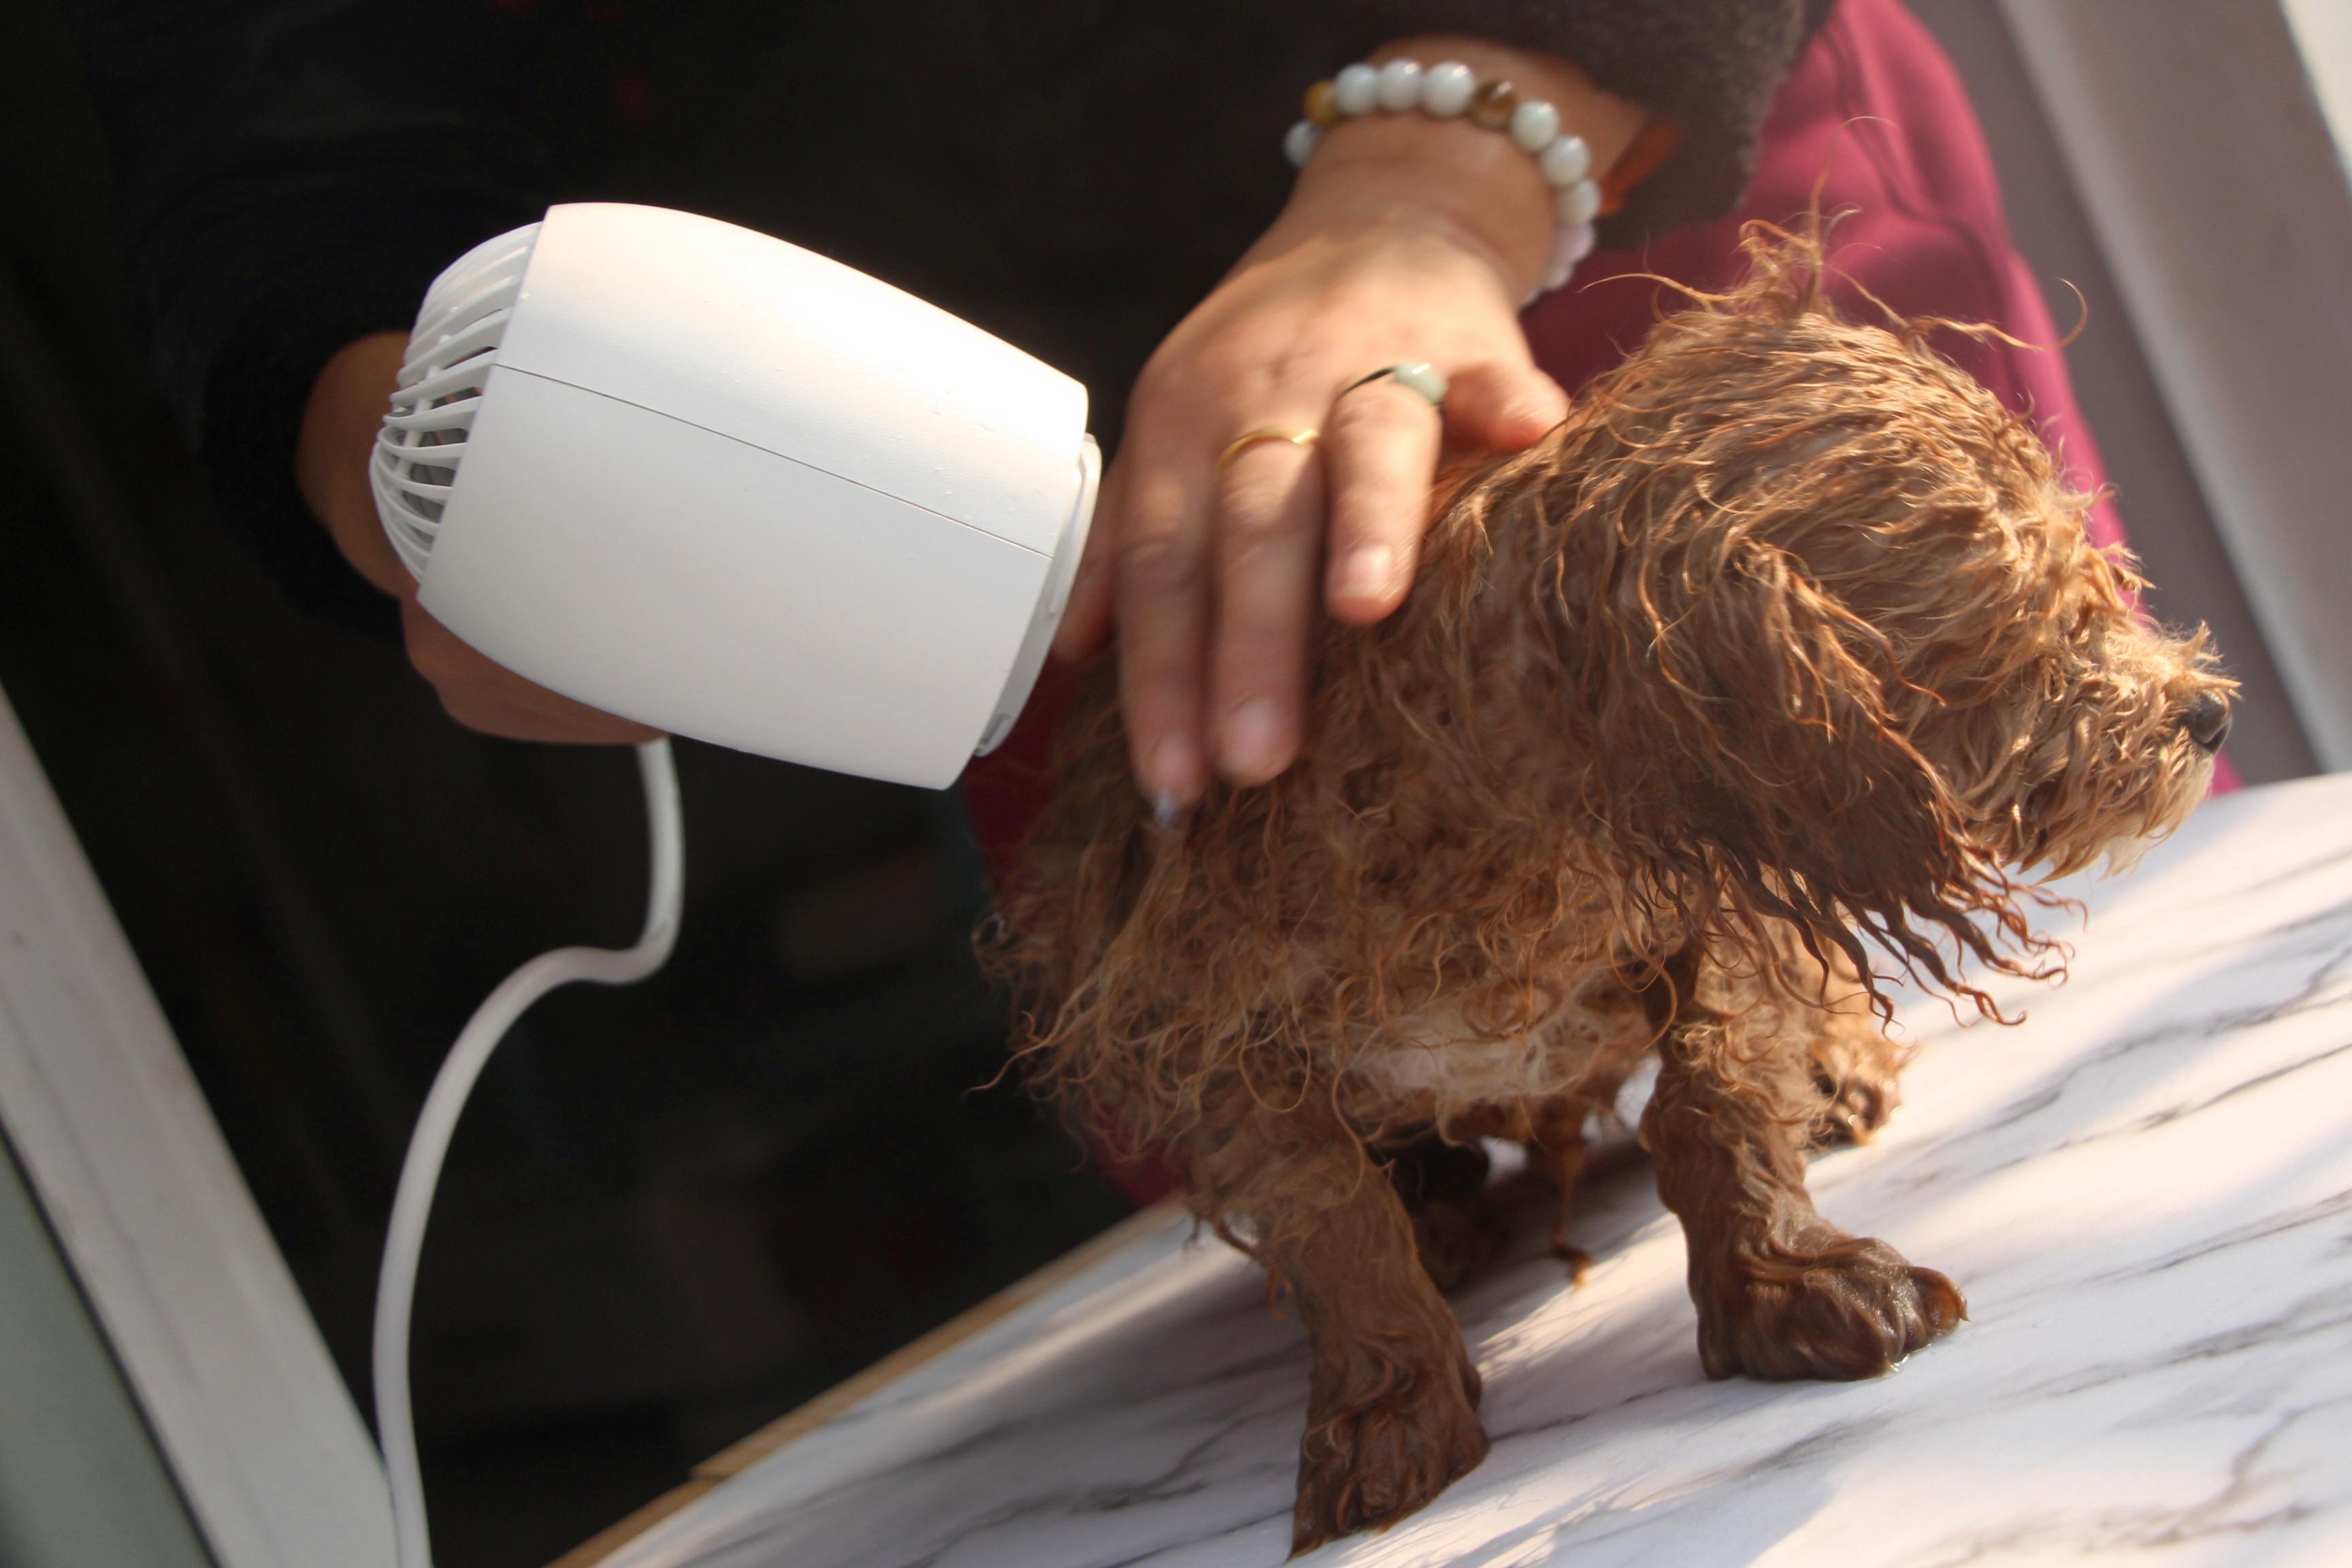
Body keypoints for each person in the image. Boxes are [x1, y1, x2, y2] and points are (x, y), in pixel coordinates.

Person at [64, 0, 1831, 808]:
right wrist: (409, 461)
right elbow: (274, 131)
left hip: (1610, 214)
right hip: (979, 535)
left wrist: (1436, 190)